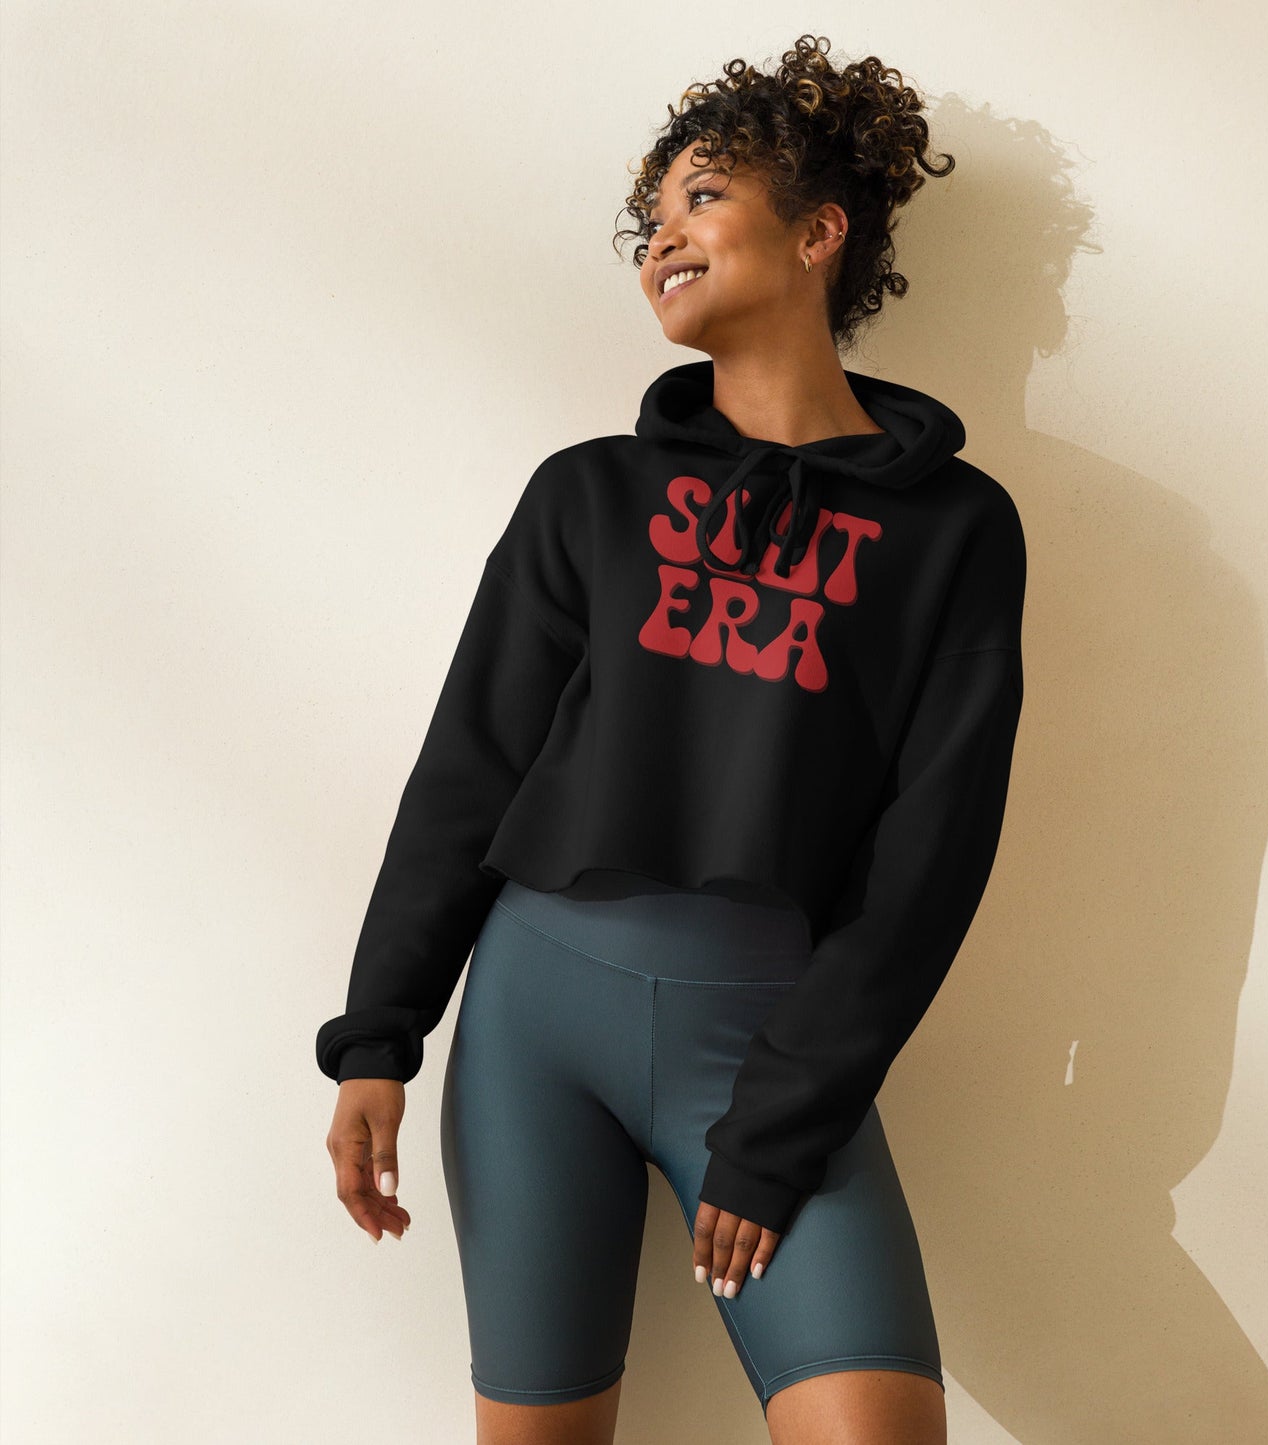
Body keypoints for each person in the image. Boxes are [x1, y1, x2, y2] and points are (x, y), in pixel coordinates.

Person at [317, 34, 1026, 1445]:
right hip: (533, 1024)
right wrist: (375, 1038)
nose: (661, 239)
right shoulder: (588, 497)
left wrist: (779, 1125)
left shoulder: (954, 529)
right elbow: (469, 769)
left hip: (764, 1039)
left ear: (819, 232)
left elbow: (931, 855)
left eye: (702, 198)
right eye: (650, 220)